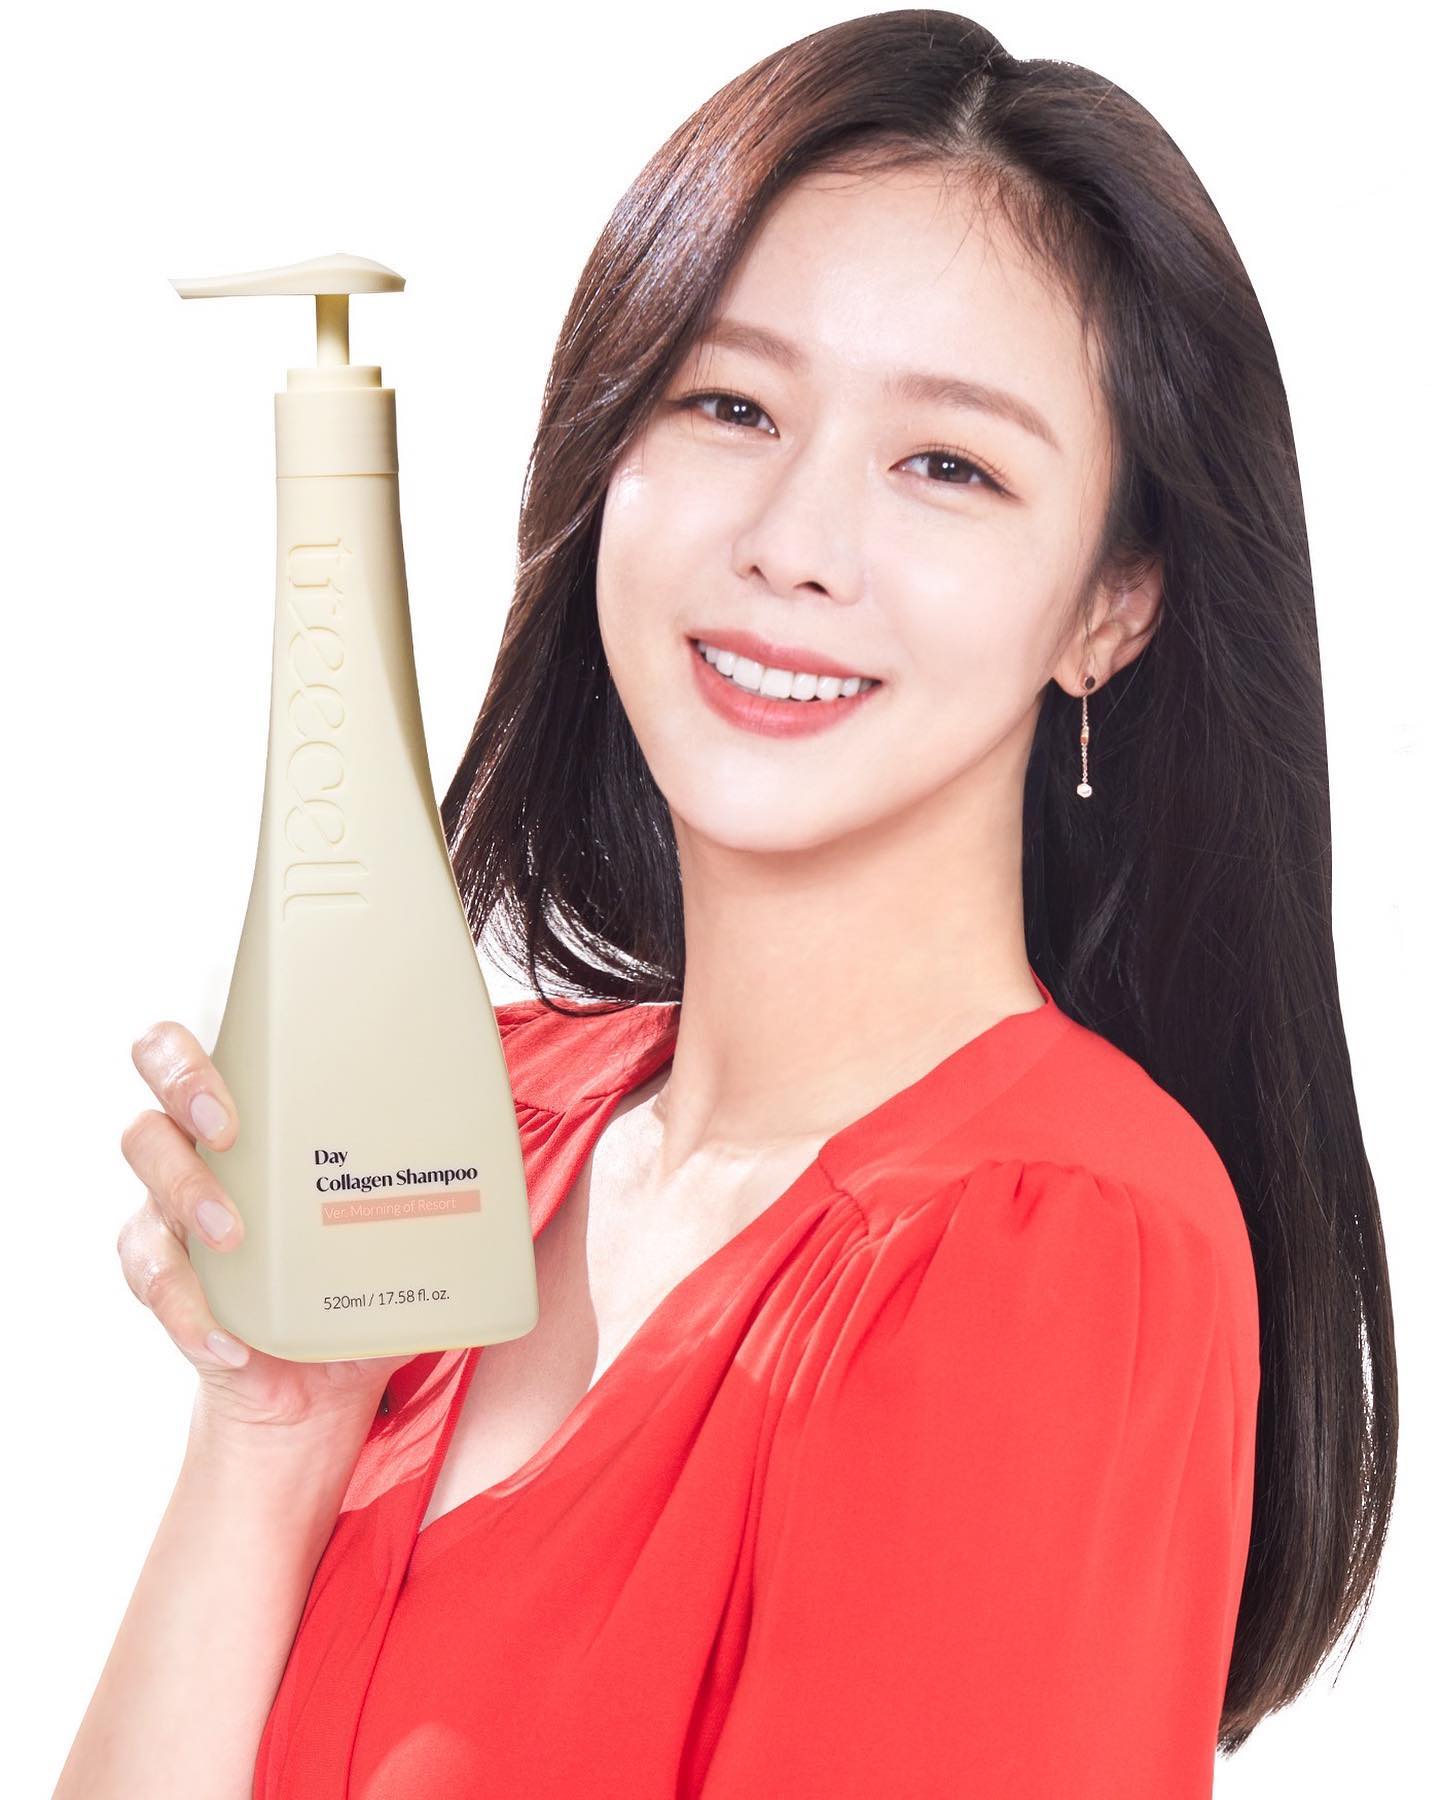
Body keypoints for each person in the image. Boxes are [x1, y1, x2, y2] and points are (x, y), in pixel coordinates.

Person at [58, 11, 1395, 1798]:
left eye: (949, 464)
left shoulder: (1050, 1247)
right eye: (730, 404)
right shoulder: (477, 1121)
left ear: (1110, 605)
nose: (790, 541)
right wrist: (269, 1433)